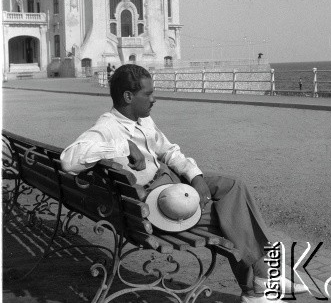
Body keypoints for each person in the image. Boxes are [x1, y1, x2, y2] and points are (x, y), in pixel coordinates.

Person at [60, 64, 307, 303]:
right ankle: (260, 282)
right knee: (228, 215)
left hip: (173, 184)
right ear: (128, 96)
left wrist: (196, 177)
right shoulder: (107, 127)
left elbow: (169, 151)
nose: (154, 99)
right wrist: (123, 146)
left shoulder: (143, 120)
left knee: (234, 187)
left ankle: (262, 278)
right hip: (158, 205)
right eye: (148, 94)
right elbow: (69, 159)